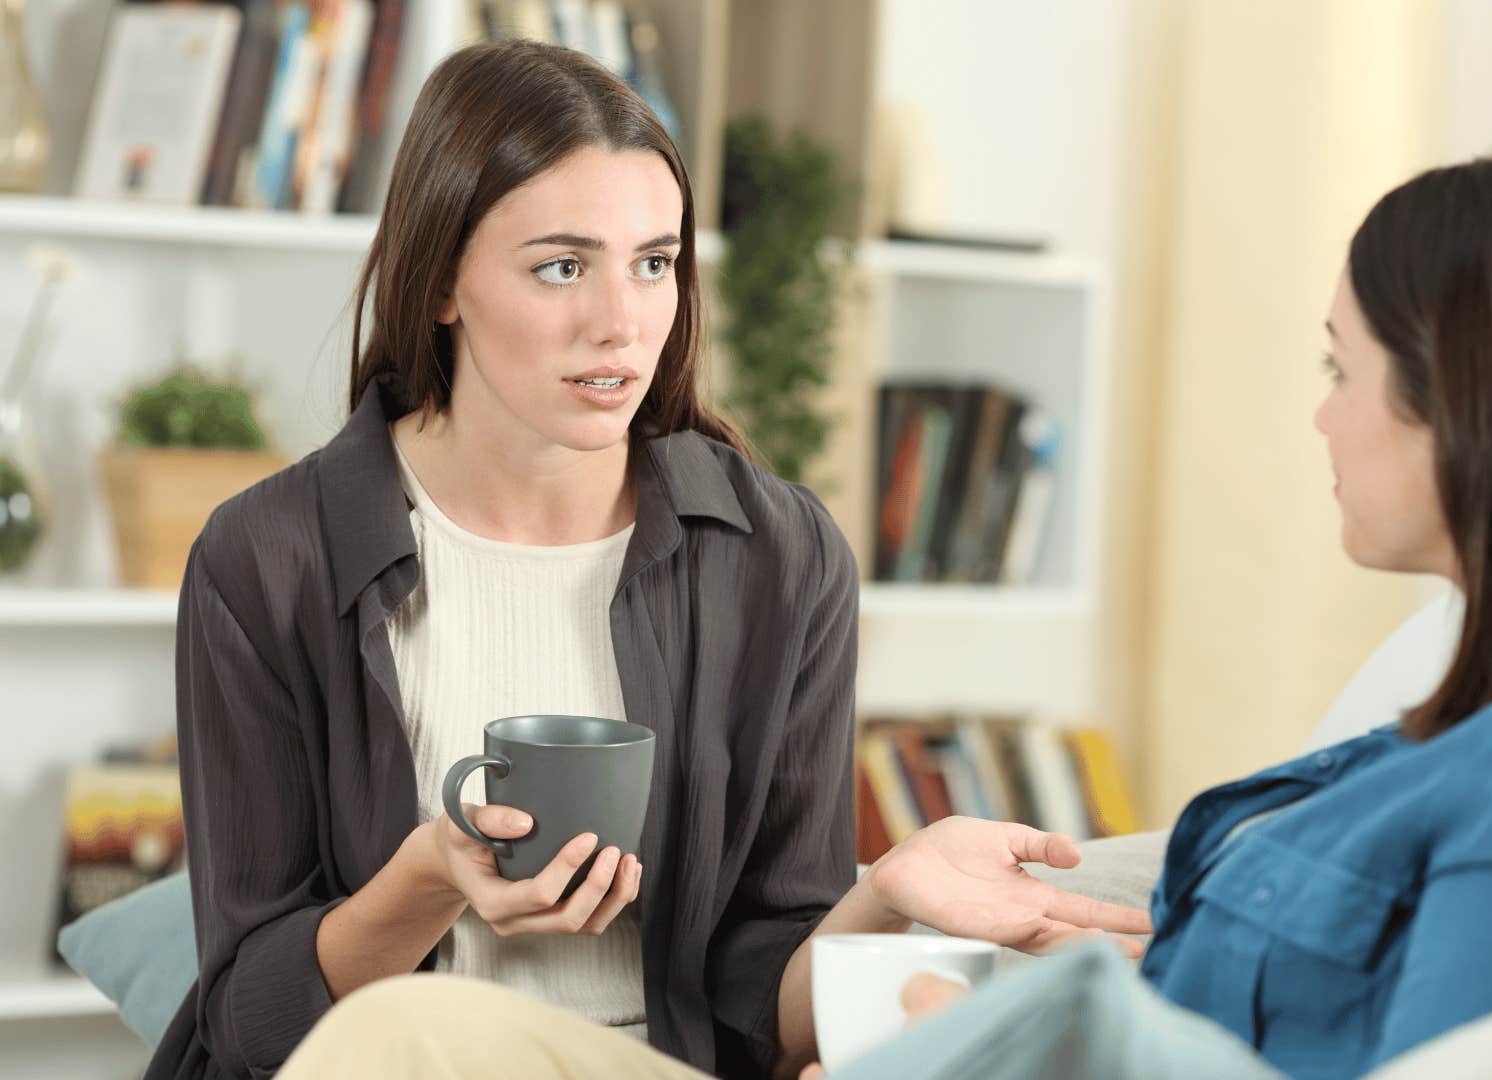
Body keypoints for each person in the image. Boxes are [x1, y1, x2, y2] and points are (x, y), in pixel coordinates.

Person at [275, 142, 1492, 1080]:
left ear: (1473, 403)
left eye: (1343, 371)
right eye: (562, 267)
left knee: (412, 1048)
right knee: (411, 1039)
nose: (1321, 421)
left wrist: (991, 1033)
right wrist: (937, 981)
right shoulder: (1445, 730)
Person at [150, 40, 1147, 1080]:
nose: (622, 323)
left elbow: (769, 1004)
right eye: (561, 267)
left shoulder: (778, 556)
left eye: (655, 263)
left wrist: (884, 893)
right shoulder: (269, 557)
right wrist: (429, 878)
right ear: (441, 281)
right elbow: (254, 1025)